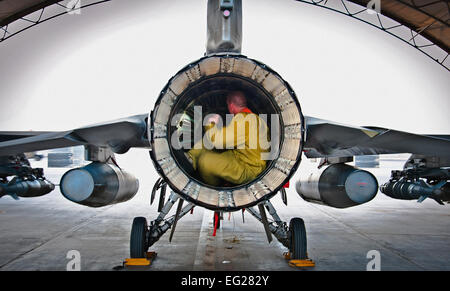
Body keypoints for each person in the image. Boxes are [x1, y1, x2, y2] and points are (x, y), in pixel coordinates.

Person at [187, 91, 269, 186]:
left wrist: (211, 123)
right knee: (206, 143)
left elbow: (217, 141)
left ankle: (217, 188)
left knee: (205, 161)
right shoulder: (256, 119)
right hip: (239, 157)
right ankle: (190, 159)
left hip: (249, 169)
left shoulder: (245, 119)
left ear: (230, 104)